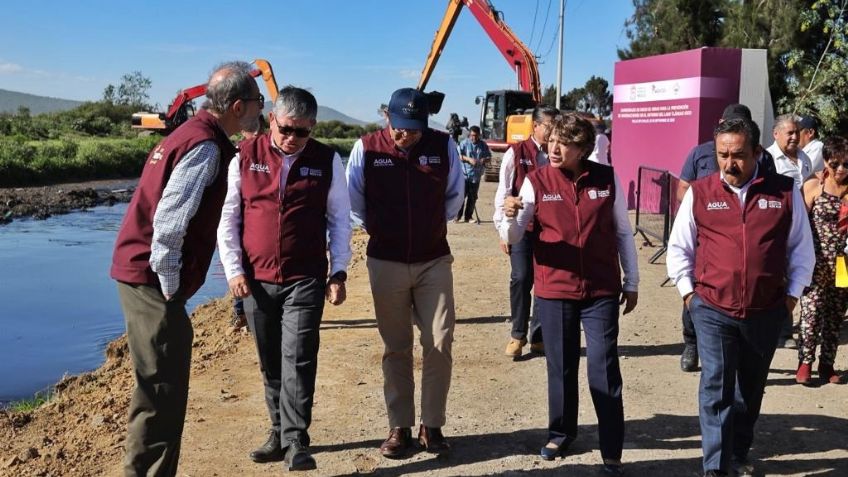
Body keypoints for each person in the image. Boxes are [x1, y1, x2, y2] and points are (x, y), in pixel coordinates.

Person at [110, 61, 263, 476]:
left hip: (139, 273)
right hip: (152, 281)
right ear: (236, 106)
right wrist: (173, 289)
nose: (259, 110)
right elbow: (169, 226)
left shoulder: (189, 133)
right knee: (162, 391)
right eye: (256, 102)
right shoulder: (206, 146)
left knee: (157, 387)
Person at [667, 118, 814, 477]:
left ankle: (737, 453)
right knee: (716, 386)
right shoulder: (700, 192)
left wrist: (791, 297)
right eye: (722, 155)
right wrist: (690, 295)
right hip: (713, 308)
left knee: (749, 390)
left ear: (758, 154)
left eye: (739, 156)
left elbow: (801, 251)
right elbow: (678, 249)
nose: (729, 164)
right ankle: (714, 468)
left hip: (766, 310)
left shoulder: (784, 192)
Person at [217, 86, 352, 471]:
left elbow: (340, 219)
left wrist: (338, 270)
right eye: (286, 129)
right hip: (256, 279)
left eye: (302, 132)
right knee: (270, 359)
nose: (292, 139)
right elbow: (228, 218)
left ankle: (296, 439)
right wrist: (233, 271)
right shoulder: (244, 156)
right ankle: (276, 432)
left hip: (304, 277)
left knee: (300, 357)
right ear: (271, 120)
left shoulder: (327, 161)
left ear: (313, 127)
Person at [500, 113, 638, 477]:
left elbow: (623, 232)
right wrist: (510, 216)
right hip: (555, 289)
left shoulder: (606, 179)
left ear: (584, 149)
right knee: (560, 368)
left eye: (566, 142)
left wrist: (633, 281)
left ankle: (612, 448)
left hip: (601, 289)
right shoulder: (536, 181)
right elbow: (514, 237)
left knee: (603, 367)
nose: (555, 148)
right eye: (552, 140)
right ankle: (561, 433)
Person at [346, 87, 464, 458]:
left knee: (440, 340)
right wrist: (384, 229)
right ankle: (400, 426)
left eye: (414, 128)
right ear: (388, 118)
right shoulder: (367, 148)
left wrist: (429, 226)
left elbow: (455, 196)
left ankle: (433, 424)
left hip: (433, 260)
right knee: (396, 347)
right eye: (400, 127)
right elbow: (354, 201)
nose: (406, 134)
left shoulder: (443, 146)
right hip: (386, 261)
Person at [675, 104, 777, 372]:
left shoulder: (764, 158)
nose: (731, 163)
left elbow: (771, 195)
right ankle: (692, 342)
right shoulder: (699, 153)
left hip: (748, 236)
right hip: (707, 238)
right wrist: (705, 210)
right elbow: (682, 189)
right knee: (701, 294)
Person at [493, 105, 560, 358]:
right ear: (536, 126)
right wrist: (503, 229)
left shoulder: (558, 153)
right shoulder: (516, 153)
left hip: (550, 229)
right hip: (521, 227)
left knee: (545, 281)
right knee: (521, 278)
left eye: (556, 127)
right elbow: (503, 192)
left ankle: (539, 336)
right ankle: (517, 335)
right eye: (549, 127)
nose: (553, 132)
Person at [797, 136, 848, 385]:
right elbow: (797, 224)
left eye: (846, 164)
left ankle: (826, 365)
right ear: (826, 161)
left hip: (844, 266)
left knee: (836, 313)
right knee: (811, 311)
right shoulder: (814, 185)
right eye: (835, 163)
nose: (840, 169)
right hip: (815, 262)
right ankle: (805, 362)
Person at [767, 113, 814, 349]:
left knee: (797, 272)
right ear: (776, 135)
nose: (795, 136)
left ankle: (791, 326)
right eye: (790, 133)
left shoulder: (804, 158)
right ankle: (782, 331)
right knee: (779, 276)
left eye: (797, 132)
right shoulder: (768, 159)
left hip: (801, 225)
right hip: (777, 226)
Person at [455, 125, 491, 223]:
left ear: (479, 135)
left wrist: (483, 160)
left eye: (475, 135)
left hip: (476, 176)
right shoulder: (464, 143)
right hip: (464, 175)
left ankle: (468, 217)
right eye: (471, 135)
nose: (473, 138)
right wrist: (468, 159)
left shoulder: (483, 145)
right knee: (461, 196)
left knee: (472, 197)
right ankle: (457, 216)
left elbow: (489, 157)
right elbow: (458, 155)